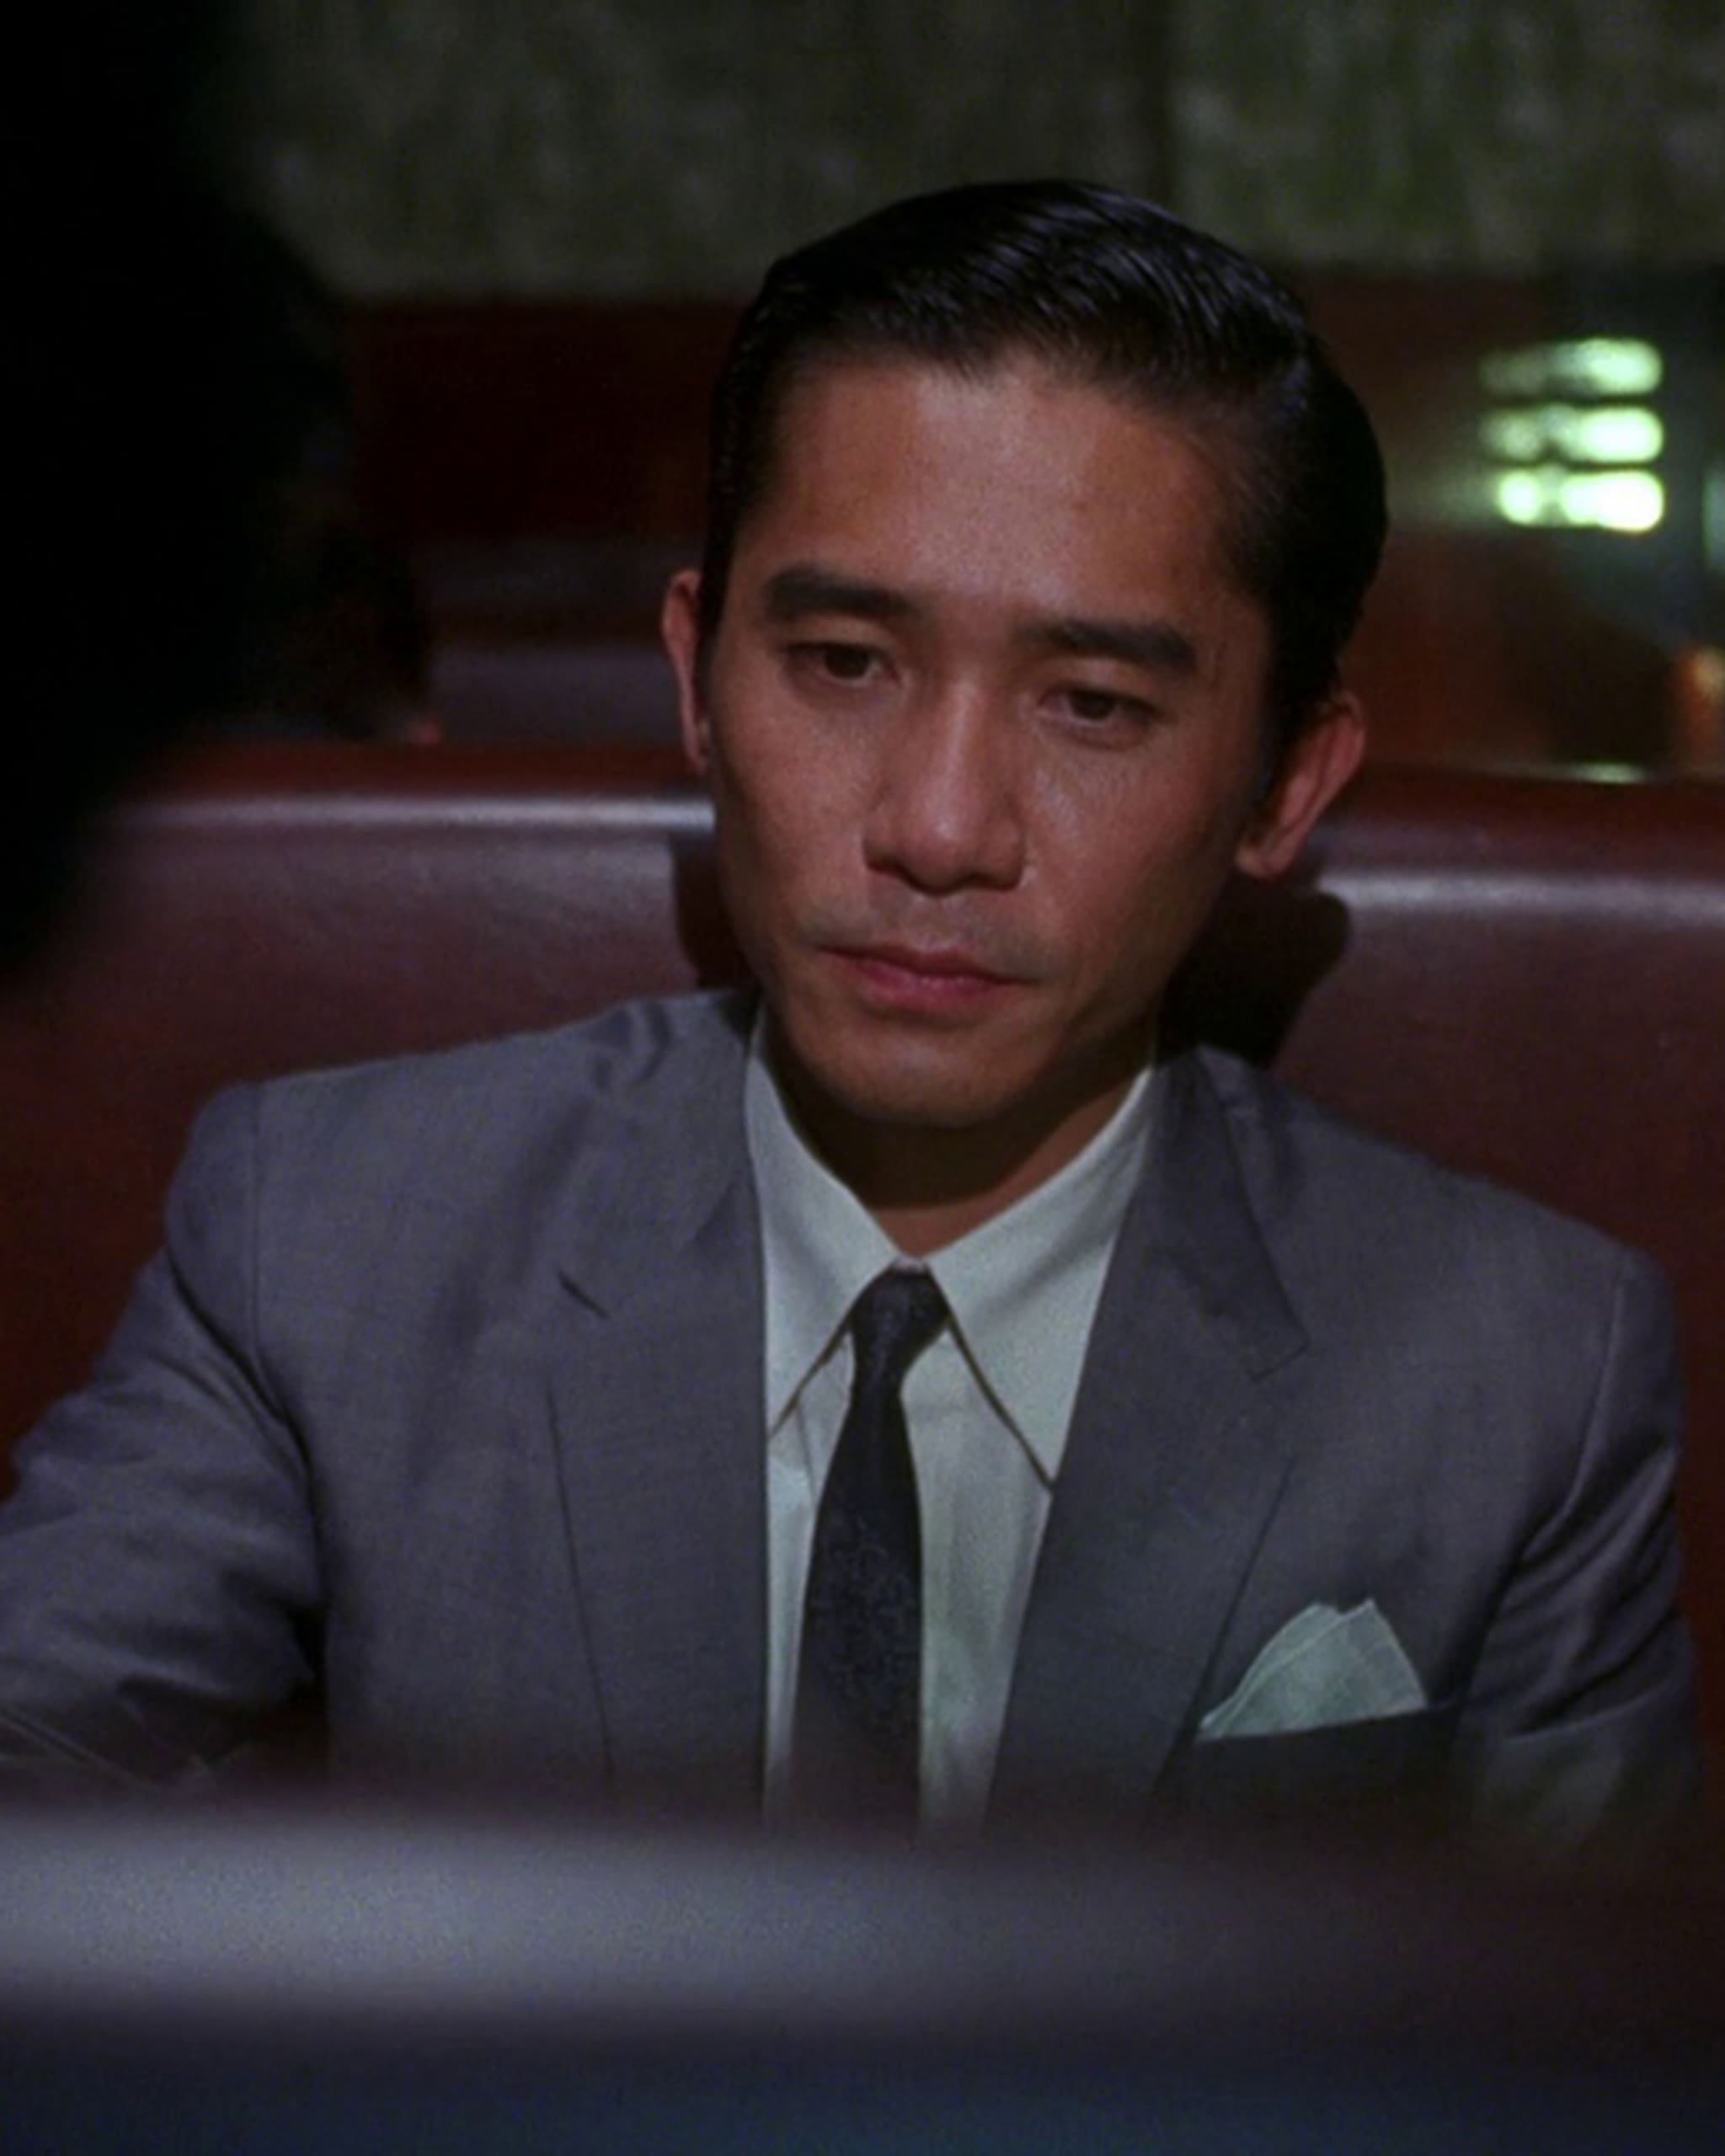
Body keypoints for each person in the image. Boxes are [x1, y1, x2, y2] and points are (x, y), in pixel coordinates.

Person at [0, 183, 1696, 1841]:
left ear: (1286, 783)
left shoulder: (1518, 1373)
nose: (938, 828)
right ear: (697, 676)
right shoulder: (330, 1238)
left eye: (1094, 703)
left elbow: (1587, 2006)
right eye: (842, 663)